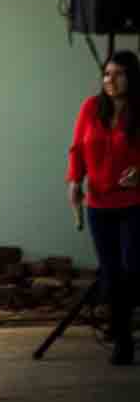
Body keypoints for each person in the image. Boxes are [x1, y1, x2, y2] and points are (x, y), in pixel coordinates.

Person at [67, 49, 140, 366]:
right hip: (98, 204)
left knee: (132, 269)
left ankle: (123, 325)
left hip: (134, 203)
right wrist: (74, 181)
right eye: (107, 74)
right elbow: (77, 149)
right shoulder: (91, 108)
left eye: (118, 74)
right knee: (111, 273)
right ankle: (123, 340)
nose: (110, 80)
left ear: (132, 77)